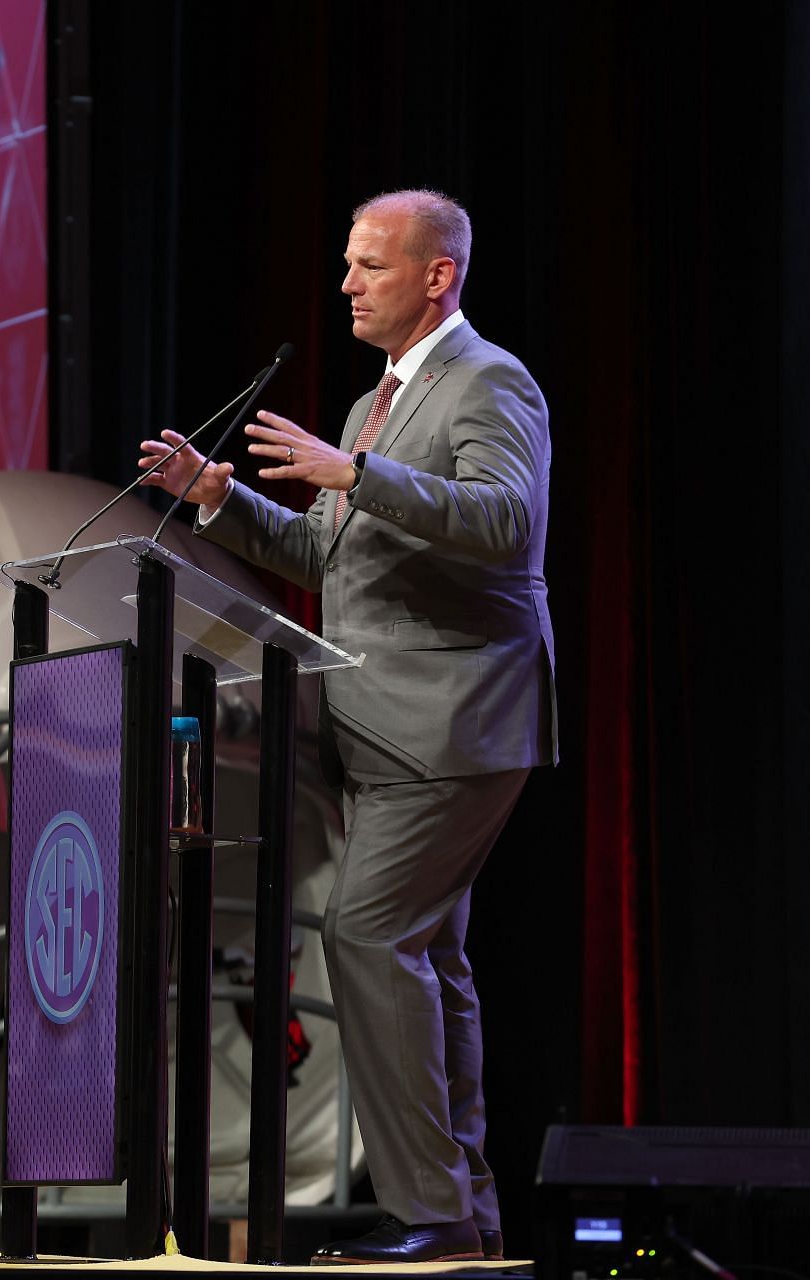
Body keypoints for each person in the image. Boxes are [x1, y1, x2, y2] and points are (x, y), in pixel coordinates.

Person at [138, 189, 556, 1265]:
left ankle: (433, 1211)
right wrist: (219, 500)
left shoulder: (489, 380)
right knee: (431, 959)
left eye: (370, 264)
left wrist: (358, 472)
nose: (346, 284)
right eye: (346, 263)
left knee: (371, 936)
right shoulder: (378, 402)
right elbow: (332, 558)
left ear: (436, 274)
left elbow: (505, 520)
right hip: (381, 728)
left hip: (457, 718)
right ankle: (468, 1212)